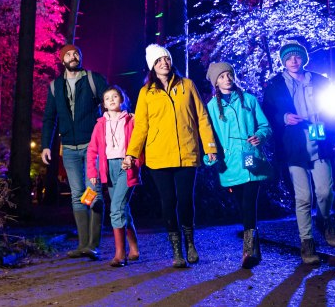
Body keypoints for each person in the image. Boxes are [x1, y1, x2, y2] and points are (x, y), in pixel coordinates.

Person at [123, 44, 217, 268]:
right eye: (158, 61)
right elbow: (141, 127)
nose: (164, 63)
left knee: (185, 201)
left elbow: (202, 117)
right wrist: (132, 154)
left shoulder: (187, 85)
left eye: (166, 59)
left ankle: (190, 243)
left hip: (187, 153)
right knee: (169, 202)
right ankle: (176, 250)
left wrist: (210, 147)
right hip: (159, 157)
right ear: (152, 67)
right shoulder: (146, 93)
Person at [262, 40, 335, 266]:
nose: (293, 61)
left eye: (297, 57)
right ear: (283, 61)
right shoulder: (275, 85)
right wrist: (283, 118)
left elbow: (331, 108)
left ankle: (325, 220)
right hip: (293, 145)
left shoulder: (319, 81)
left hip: (319, 138)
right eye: (288, 58)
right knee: (303, 197)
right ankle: (306, 241)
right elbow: (267, 113)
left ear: (303, 58)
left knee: (325, 192)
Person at [42, 44, 109, 259]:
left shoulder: (93, 79)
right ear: (62, 60)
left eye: (76, 53)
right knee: (78, 195)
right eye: (68, 54)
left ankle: (93, 244)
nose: (73, 57)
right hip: (69, 149)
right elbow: (49, 118)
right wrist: (45, 145)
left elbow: (109, 106)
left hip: (92, 146)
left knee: (94, 192)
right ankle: (83, 245)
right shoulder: (55, 86)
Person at [205, 62, 273, 269]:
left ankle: (249, 250)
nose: (226, 79)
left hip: (250, 158)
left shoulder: (249, 100)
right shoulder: (210, 107)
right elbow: (209, 135)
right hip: (229, 163)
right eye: (222, 76)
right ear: (215, 82)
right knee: (241, 204)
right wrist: (211, 155)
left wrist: (260, 136)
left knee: (248, 203)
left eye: (229, 75)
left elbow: (265, 125)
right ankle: (254, 247)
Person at [86, 85, 140, 267]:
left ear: (122, 100)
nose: (111, 100)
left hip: (126, 167)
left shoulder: (131, 120)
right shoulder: (100, 124)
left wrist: (134, 161)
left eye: (115, 96)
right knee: (124, 209)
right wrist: (93, 171)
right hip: (108, 169)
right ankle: (134, 248)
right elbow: (92, 150)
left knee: (116, 208)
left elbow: (139, 143)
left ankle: (120, 254)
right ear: (104, 104)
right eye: (107, 98)